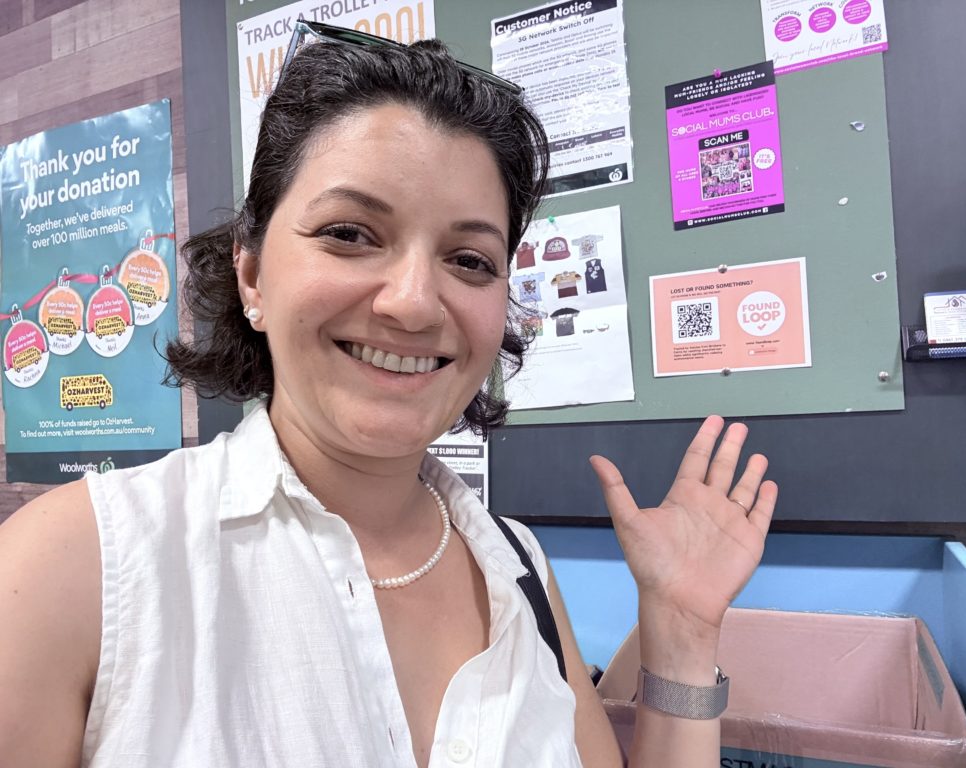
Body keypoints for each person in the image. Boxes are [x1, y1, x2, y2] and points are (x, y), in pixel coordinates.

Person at [0, 23, 777, 768]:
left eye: (470, 260)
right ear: (251, 275)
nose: (412, 303)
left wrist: (678, 630)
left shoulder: (518, 567)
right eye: (349, 233)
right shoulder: (74, 569)